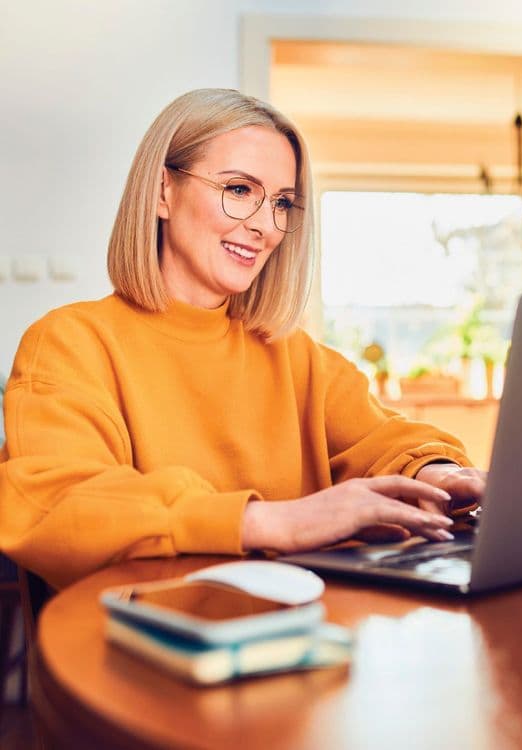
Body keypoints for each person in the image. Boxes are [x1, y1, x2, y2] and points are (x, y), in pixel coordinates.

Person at [0, 89, 485, 590]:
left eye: (281, 203)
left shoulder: (293, 355)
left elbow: (388, 440)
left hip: (299, 639)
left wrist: (437, 472)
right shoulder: (69, 343)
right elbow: (57, 503)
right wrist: (271, 521)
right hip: (139, 644)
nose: (263, 226)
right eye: (238, 190)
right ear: (162, 191)